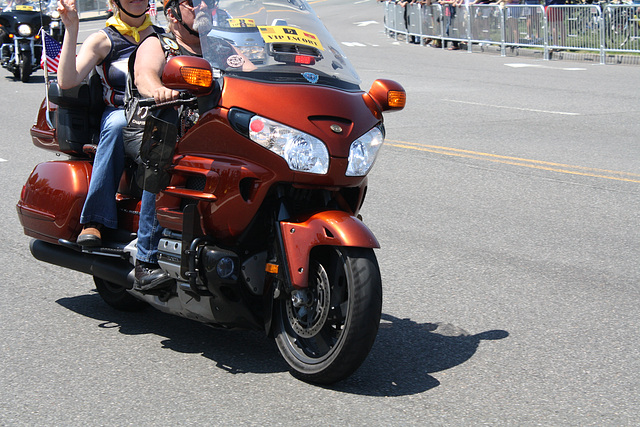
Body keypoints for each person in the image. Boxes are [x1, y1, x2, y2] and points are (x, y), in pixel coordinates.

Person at [56, 0, 160, 247]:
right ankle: (94, 220)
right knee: (116, 126)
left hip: (160, 112)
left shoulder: (161, 37)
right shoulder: (104, 39)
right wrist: (71, 28)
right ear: (114, 2)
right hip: (122, 111)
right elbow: (68, 81)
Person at [129, 0, 208, 290]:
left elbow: (252, 70)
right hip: (165, 131)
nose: (202, 6)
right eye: (192, 2)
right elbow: (145, 75)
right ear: (172, 13)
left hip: (214, 130)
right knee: (162, 152)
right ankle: (146, 259)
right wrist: (160, 90)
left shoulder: (222, 48)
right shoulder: (158, 43)